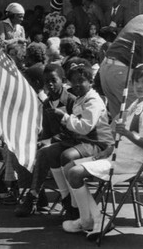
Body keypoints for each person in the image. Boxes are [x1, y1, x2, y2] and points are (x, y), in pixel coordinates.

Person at [63, 63, 143, 240]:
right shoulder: (137, 103)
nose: (139, 86)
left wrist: (126, 132)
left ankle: (91, 219)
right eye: (136, 82)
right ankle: (91, 218)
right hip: (118, 155)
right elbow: (122, 139)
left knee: (74, 173)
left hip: (132, 162)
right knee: (69, 167)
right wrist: (110, 148)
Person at [40, 62, 114, 219]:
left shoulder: (92, 100)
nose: (77, 84)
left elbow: (85, 127)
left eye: (81, 80)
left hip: (99, 143)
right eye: (74, 81)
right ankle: (66, 199)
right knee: (51, 151)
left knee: (67, 156)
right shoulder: (80, 98)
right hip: (82, 141)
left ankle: (77, 207)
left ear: (90, 81)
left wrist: (64, 117)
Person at [15, 64, 76, 216]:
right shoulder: (47, 104)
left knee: (43, 152)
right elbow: (47, 131)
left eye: (54, 80)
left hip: (72, 143)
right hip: (55, 143)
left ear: (62, 80)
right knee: (21, 151)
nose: (50, 84)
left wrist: (50, 141)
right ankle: (38, 193)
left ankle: (33, 197)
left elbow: (75, 131)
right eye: (47, 81)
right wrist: (42, 141)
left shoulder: (71, 101)